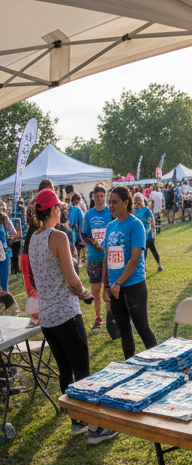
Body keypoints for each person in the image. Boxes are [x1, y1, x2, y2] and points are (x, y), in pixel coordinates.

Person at [27, 190, 116, 443]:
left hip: (48, 318)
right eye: (59, 207)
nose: (61, 210)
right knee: (83, 371)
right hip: (66, 314)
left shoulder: (33, 238)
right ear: (54, 209)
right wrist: (87, 295)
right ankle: (94, 429)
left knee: (65, 371)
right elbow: (72, 281)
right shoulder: (58, 236)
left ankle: (76, 420)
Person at [102, 187, 158, 358]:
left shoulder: (136, 225)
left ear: (126, 203)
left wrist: (119, 282)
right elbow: (106, 258)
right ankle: (130, 367)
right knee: (124, 332)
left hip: (133, 284)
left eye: (115, 202)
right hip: (114, 288)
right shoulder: (110, 226)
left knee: (142, 328)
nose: (110, 205)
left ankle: (158, 364)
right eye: (109, 202)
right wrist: (105, 285)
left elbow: (135, 258)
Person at [83, 185, 112, 332]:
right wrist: (96, 246)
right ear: (93, 197)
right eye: (97, 196)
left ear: (105, 197)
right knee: (95, 290)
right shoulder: (89, 214)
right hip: (94, 257)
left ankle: (111, 316)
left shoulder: (110, 211)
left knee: (110, 287)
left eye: (101, 196)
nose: (99, 198)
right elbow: (85, 234)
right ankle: (98, 318)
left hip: (109, 256)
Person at [132, 194, 162, 272]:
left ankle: (149, 266)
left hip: (144, 236)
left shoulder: (140, 211)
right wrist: (153, 232)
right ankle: (157, 265)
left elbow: (150, 221)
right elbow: (151, 222)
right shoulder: (140, 210)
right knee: (149, 251)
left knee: (146, 252)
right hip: (145, 235)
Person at [67, 193, 86, 267]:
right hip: (75, 232)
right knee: (76, 251)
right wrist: (81, 237)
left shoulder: (68, 208)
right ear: (77, 201)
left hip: (68, 231)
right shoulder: (78, 210)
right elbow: (79, 224)